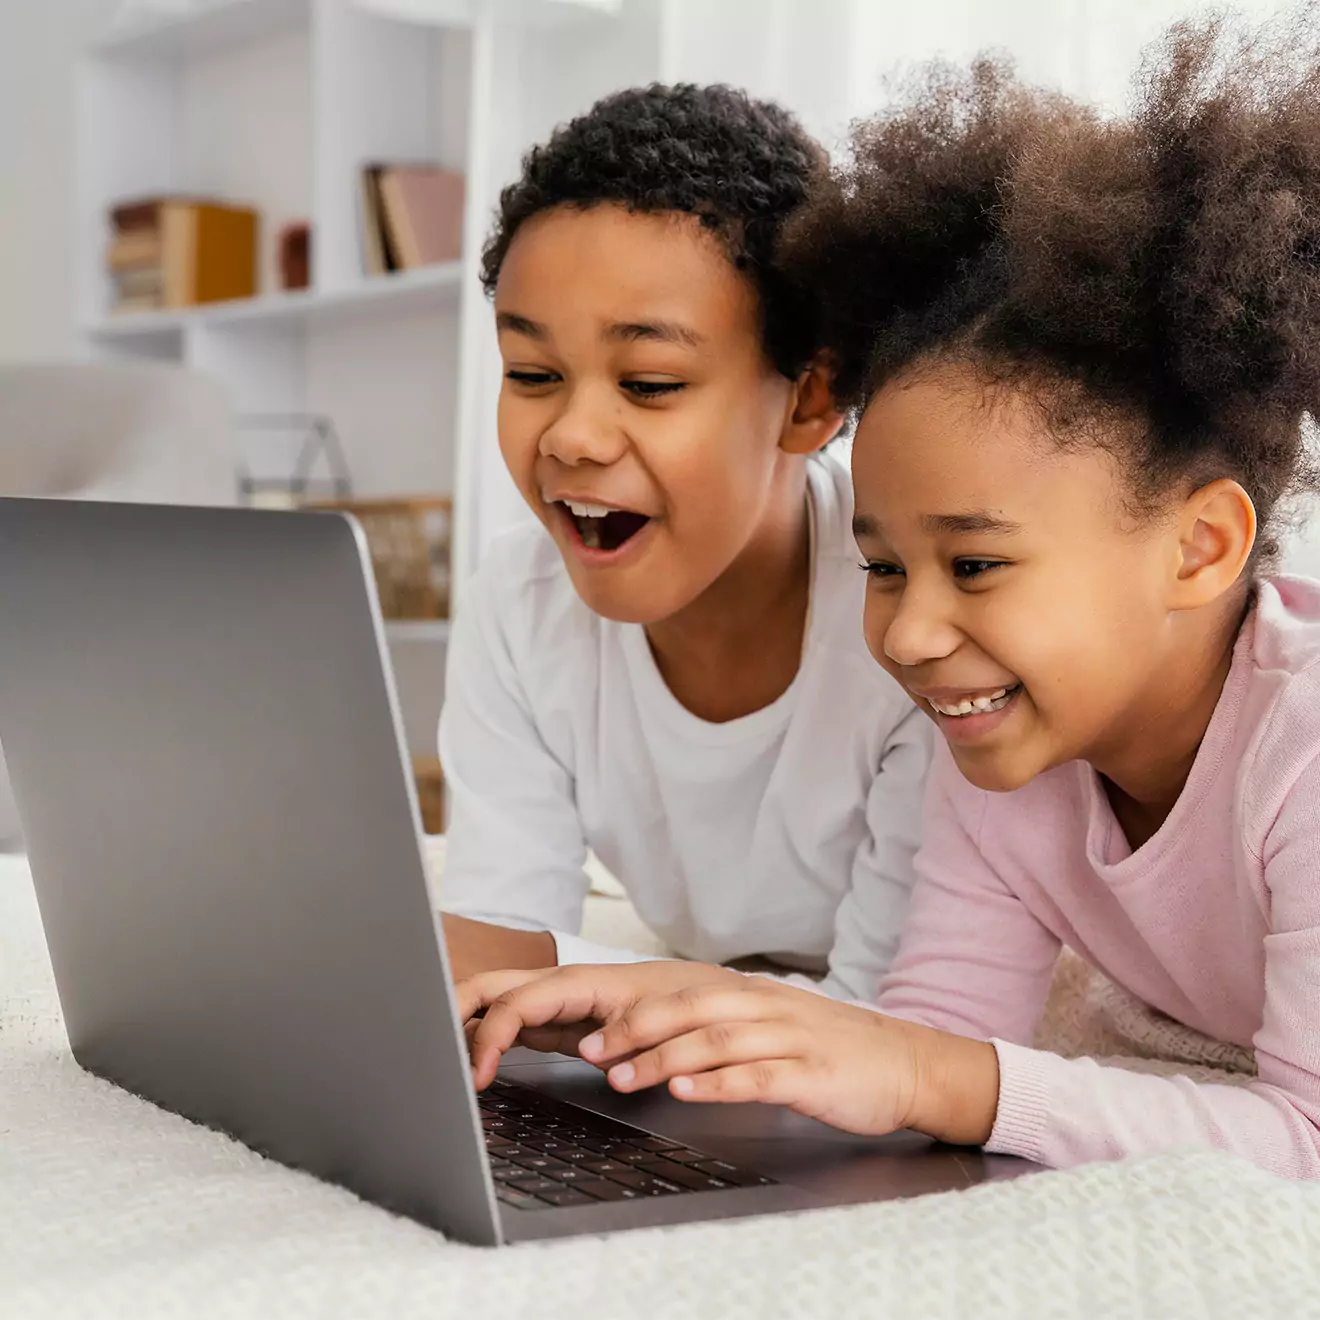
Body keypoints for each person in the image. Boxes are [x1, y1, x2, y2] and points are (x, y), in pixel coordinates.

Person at [458, 17, 1320, 1179]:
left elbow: (1300, 1138)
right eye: (881, 566)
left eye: (974, 566)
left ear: (1202, 545)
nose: (908, 636)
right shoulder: (1008, 742)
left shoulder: (1299, 756)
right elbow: (922, 1050)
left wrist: (921, 1072)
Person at [438, 84, 929, 1000]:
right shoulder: (519, 603)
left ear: (810, 400)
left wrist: (557, 977)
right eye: (533, 373)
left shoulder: (914, 629)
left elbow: (889, 1028)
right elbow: (499, 954)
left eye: (651, 382)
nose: (574, 436)